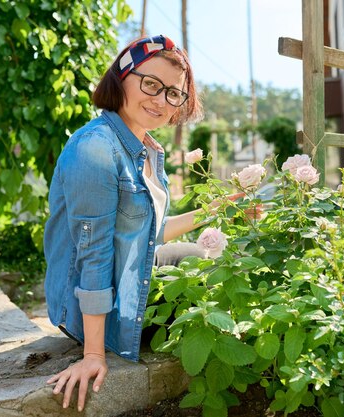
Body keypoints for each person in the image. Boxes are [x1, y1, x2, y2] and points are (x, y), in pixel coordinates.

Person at [43, 34, 215, 412]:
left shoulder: (145, 148)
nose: (161, 100)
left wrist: (214, 211)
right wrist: (93, 354)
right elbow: (95, 255)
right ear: (121, 77)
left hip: (132, 272)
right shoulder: (97, 148)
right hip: (99, 303)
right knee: (216, 295)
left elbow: (147, 234)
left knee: (217, 258)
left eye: (173, 93)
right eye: (151, 84)